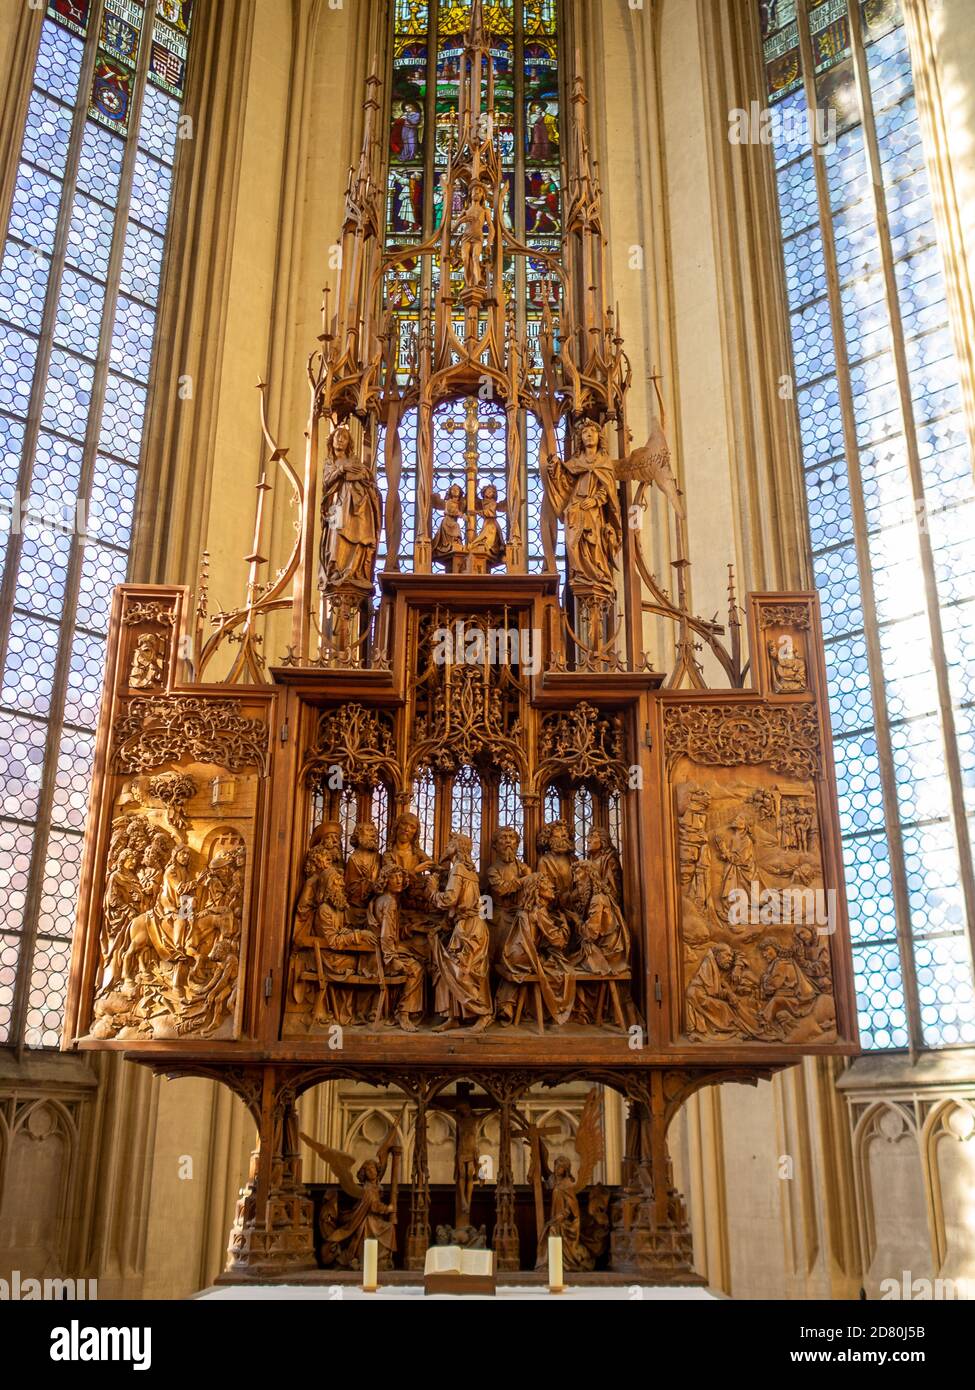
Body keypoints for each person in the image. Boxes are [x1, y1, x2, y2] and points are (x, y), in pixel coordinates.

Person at [428, 834, 492, 1032]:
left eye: (449, 844)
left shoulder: (458, 869)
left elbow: (450, 900)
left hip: (469, 929)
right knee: (449, 971)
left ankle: (484, 1013)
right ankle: (453, 1016)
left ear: (456, 847)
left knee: (465, 972)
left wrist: (431, 891)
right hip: (468, 926)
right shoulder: (467, 870)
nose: (446, 846)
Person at [368, 864, 425, 1031]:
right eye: (394, 877)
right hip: (383, 957)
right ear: (385, 880)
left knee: (419, 956)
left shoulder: (384, 899)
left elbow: (391, 929)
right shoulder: (389, 902)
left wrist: (411, 928)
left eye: (401, 877)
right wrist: (392, 959)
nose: (399, 880)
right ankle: (403, 1012)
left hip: (385, 951)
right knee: (416, 968)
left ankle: (397, 1011)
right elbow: (385, 935)